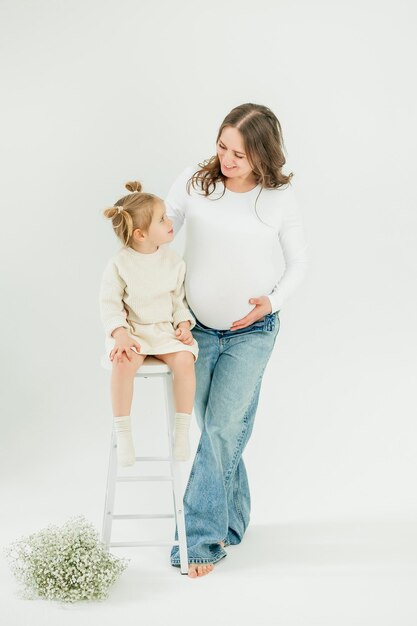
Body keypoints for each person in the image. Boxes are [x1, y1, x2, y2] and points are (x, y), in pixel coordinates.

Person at [164, 102, 308, 578]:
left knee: (223, 431)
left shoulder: (280, 198)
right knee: (215, 432)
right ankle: (235, 519)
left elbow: (298, 264)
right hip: (197, 329)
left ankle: (199, 539)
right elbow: (161, 234)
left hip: (253, 333)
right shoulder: (194, 183)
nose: (227, 159)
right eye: (223, 147)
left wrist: (272, 300)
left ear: (262, 156)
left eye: (240, 154)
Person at [99, 181, 199, 467]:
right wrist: (119, 333)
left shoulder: (173, 262)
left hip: (163, 331)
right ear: (141, 234)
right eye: (163, 219)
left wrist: (183, 325)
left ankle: (181, 429)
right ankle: (124, 431)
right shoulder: (120, 264)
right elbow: (110, 304)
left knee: (184, 360)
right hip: (132, 333)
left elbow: (179, 301)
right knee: (123, 362)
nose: (170, 222)